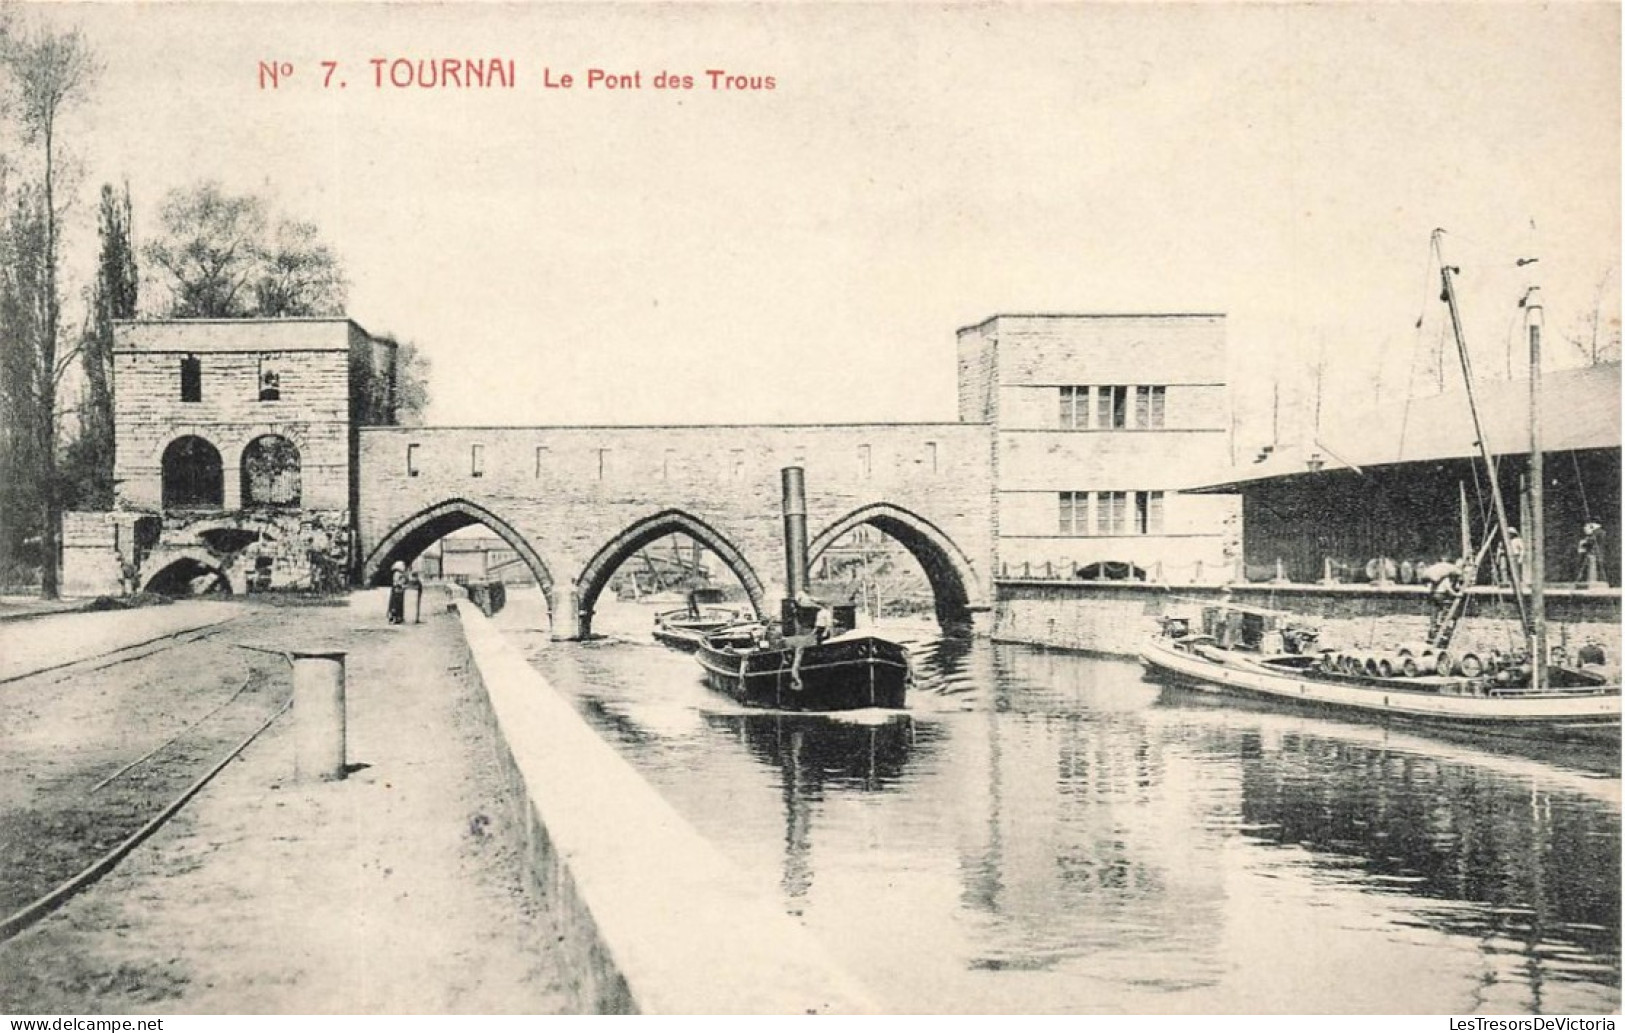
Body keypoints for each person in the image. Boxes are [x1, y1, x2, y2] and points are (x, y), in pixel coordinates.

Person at [387, 560, 407, 625]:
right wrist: (401, 585)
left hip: (399, 590)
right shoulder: (397, 573)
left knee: (398, 604)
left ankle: (398, 617)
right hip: (397, 590)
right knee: (395, 604)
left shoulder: (400, 574)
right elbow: (396, 582)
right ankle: (395, 617)